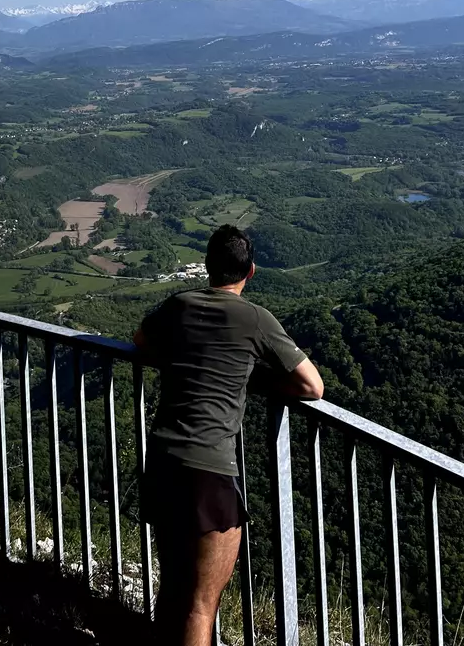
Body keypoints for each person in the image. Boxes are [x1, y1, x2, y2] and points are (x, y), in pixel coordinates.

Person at [133, 224, 324, 646]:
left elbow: (141, 340)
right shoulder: (256, 319)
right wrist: (252, 377)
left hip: (162, 459)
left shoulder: (179, 304)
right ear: (251, 271)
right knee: (200, 605)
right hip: (210, 472)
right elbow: (312, 387)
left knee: (172, 586)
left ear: (207, 265)